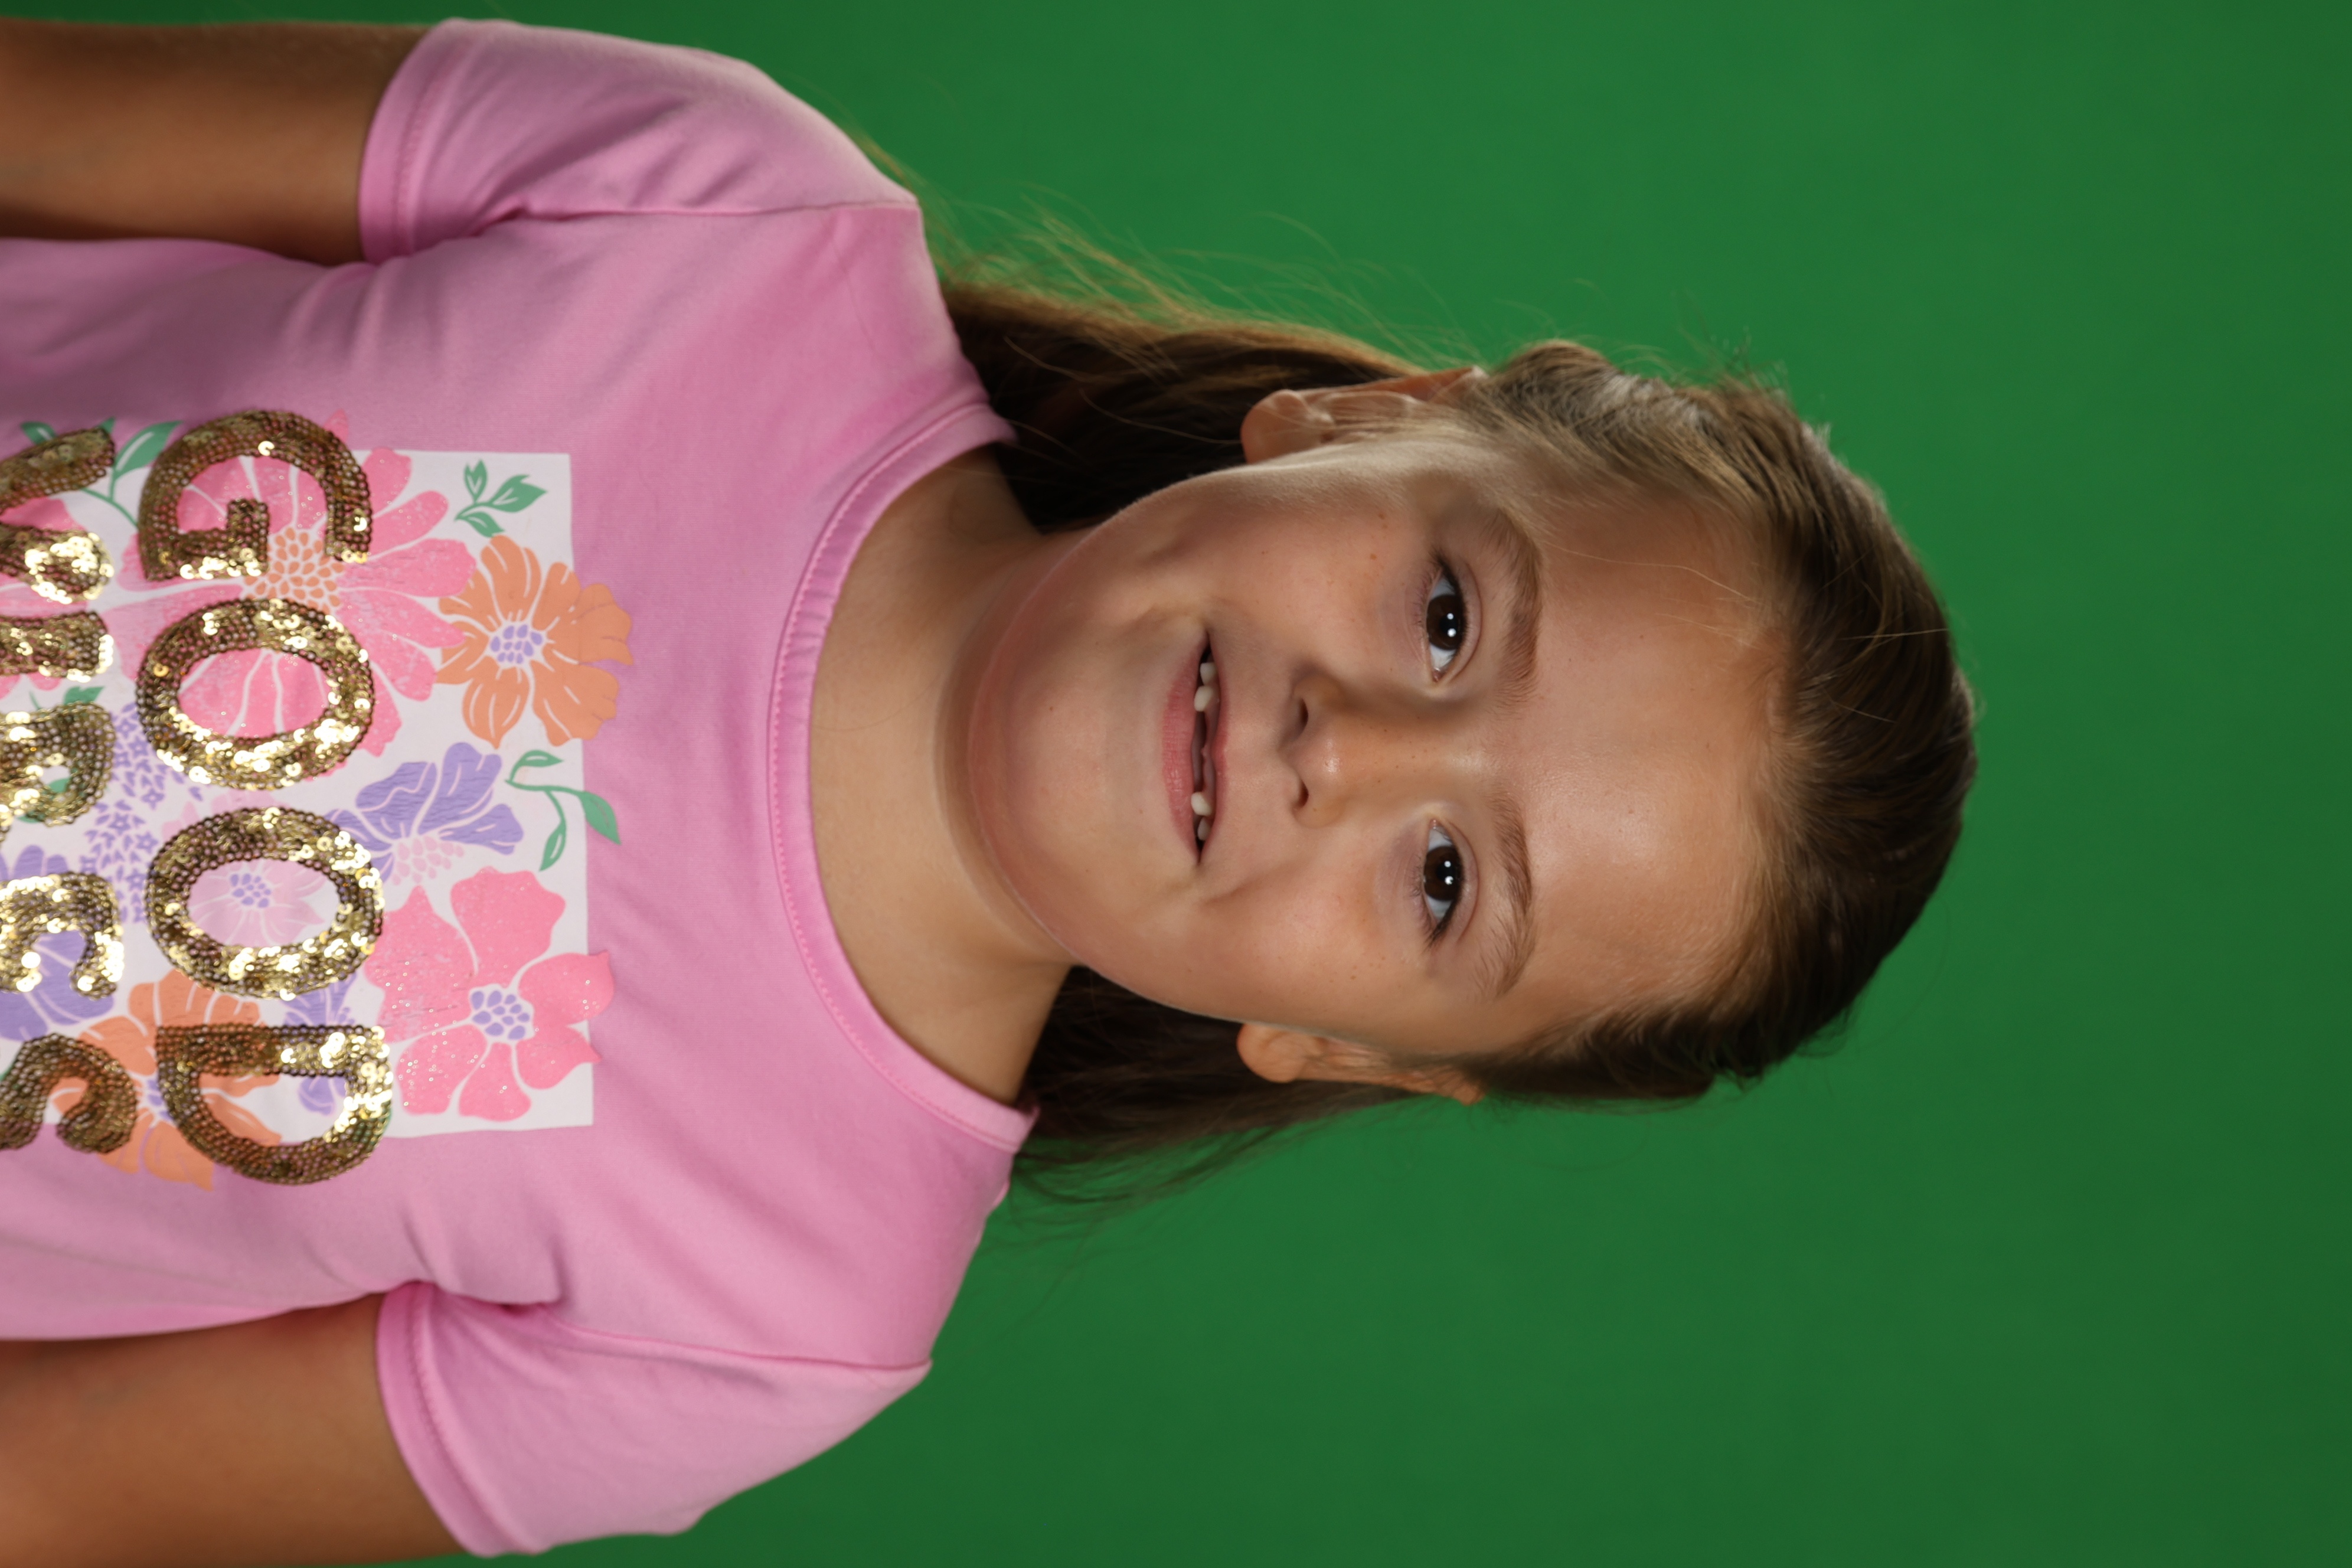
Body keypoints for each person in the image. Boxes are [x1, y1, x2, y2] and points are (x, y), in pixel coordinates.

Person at [0, 16, 1975, 1564]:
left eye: (1447, 880)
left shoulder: (769, 1323)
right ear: (1372, 421)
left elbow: (57, 1487)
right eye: (1451, 617)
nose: (1347, 748)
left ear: (1349, 1047)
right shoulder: (729, 216)